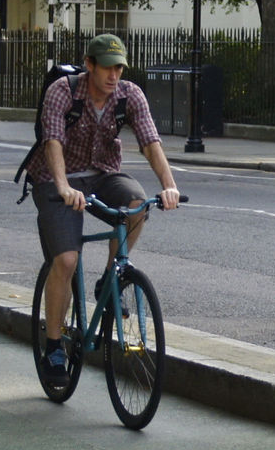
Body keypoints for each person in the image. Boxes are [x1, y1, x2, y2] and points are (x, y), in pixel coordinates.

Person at [24, 34, 181, 387]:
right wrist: (64, 187)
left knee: (138, 204)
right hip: (55, 177)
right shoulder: (62, 92)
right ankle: (53, 348)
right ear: (90, 65)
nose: (114, 75)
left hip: (104, 175)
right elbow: (52, 142)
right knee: (65, 260)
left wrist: (169, 186)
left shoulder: (130, 94)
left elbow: (149, 142)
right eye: (107, 67)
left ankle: (110, 279)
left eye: (119, 68)